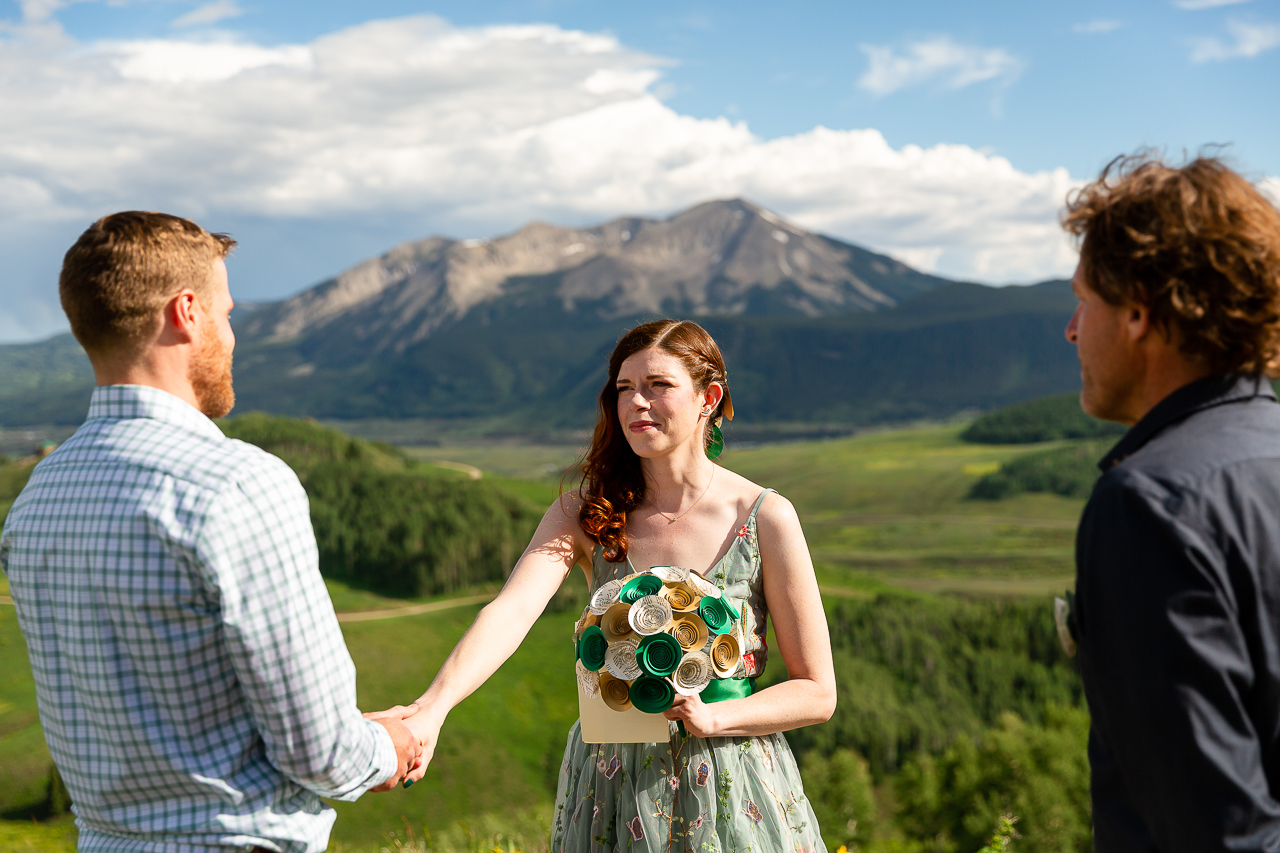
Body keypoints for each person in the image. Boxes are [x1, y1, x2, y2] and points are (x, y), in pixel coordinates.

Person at [0, 212, 422, 853]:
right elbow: (322, 753)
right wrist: (388, 749)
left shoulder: (38, 497)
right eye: (226, 315)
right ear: (187, 312)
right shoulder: (238, 484)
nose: (231, 335)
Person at [399, 319, 836, 852]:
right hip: (609, 784)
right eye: (624, 389)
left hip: (730, 779)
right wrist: (432, 708)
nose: (636, 402)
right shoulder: (583, 513)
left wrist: (716, 716)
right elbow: (511, 611)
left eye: (658, 385)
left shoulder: (765, 517)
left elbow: (817, 692)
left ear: (709, 398)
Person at [1063, 154, 1280, 851]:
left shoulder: (1150, 505)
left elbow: (1213, 829)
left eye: (1084, 300)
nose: (1072, 330)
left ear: (1137, 311)